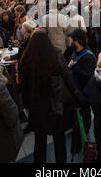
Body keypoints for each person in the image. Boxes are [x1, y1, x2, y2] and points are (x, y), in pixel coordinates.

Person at [18, 30, 84, 163]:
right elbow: (68, 79)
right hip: (56, 105)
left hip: (36, 106)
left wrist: (26, 105)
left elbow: (23, 88)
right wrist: (79, 98)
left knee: (39, 140)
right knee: (59, 139)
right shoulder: (56, 57)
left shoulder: (25, 61)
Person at [67, 28, 96, 137]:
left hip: (84, 93)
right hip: (76, 90)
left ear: (77, 41)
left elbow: (89, 76)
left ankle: (86, 132)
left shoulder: (88, 57)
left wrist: (75, 67)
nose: (69, 41)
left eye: (71, 39)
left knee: (85, 113)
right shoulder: (75, 51)